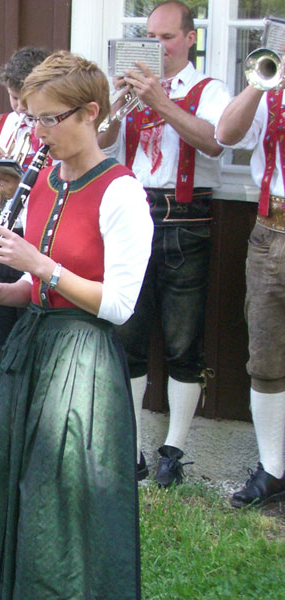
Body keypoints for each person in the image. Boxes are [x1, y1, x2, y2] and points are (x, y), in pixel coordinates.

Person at [0, 50, 152, 600]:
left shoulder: (122, 192)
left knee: (70, 500)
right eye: (32, 118)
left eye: (49, 119)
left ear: (89, 113)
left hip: (83, 360)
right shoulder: (45, 179)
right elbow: (40, 281)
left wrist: (41, 265)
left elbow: (119, 304)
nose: (38, 131)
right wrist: (2, 290)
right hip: (35, 343)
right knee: (22, 484)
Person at [98, 0, 230, 486]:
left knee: (182, 341)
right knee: (127, 335)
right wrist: (115, 105)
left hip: (186, 219)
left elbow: (215, 141)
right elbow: (102, 144)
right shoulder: (131, 92)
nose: (157, 47)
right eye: (149, 38)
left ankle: (174, 450)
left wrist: (160, 103)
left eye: (167, 38)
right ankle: (130, 448)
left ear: (190, 39)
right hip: (133, 217)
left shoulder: (209, 89)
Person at [215, 55, 285, 508]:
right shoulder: (271, 89)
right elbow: (225, 135)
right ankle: (273, 470)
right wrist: (261, 82)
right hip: (271, 231)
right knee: (265, 355)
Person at [0, 46, 51, 369]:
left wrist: (20, 183)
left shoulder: (53, 128)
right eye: (12, 97)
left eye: (24, 98)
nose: (18, 107)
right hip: (3, 236)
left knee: (35, 339)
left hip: (38, 238)